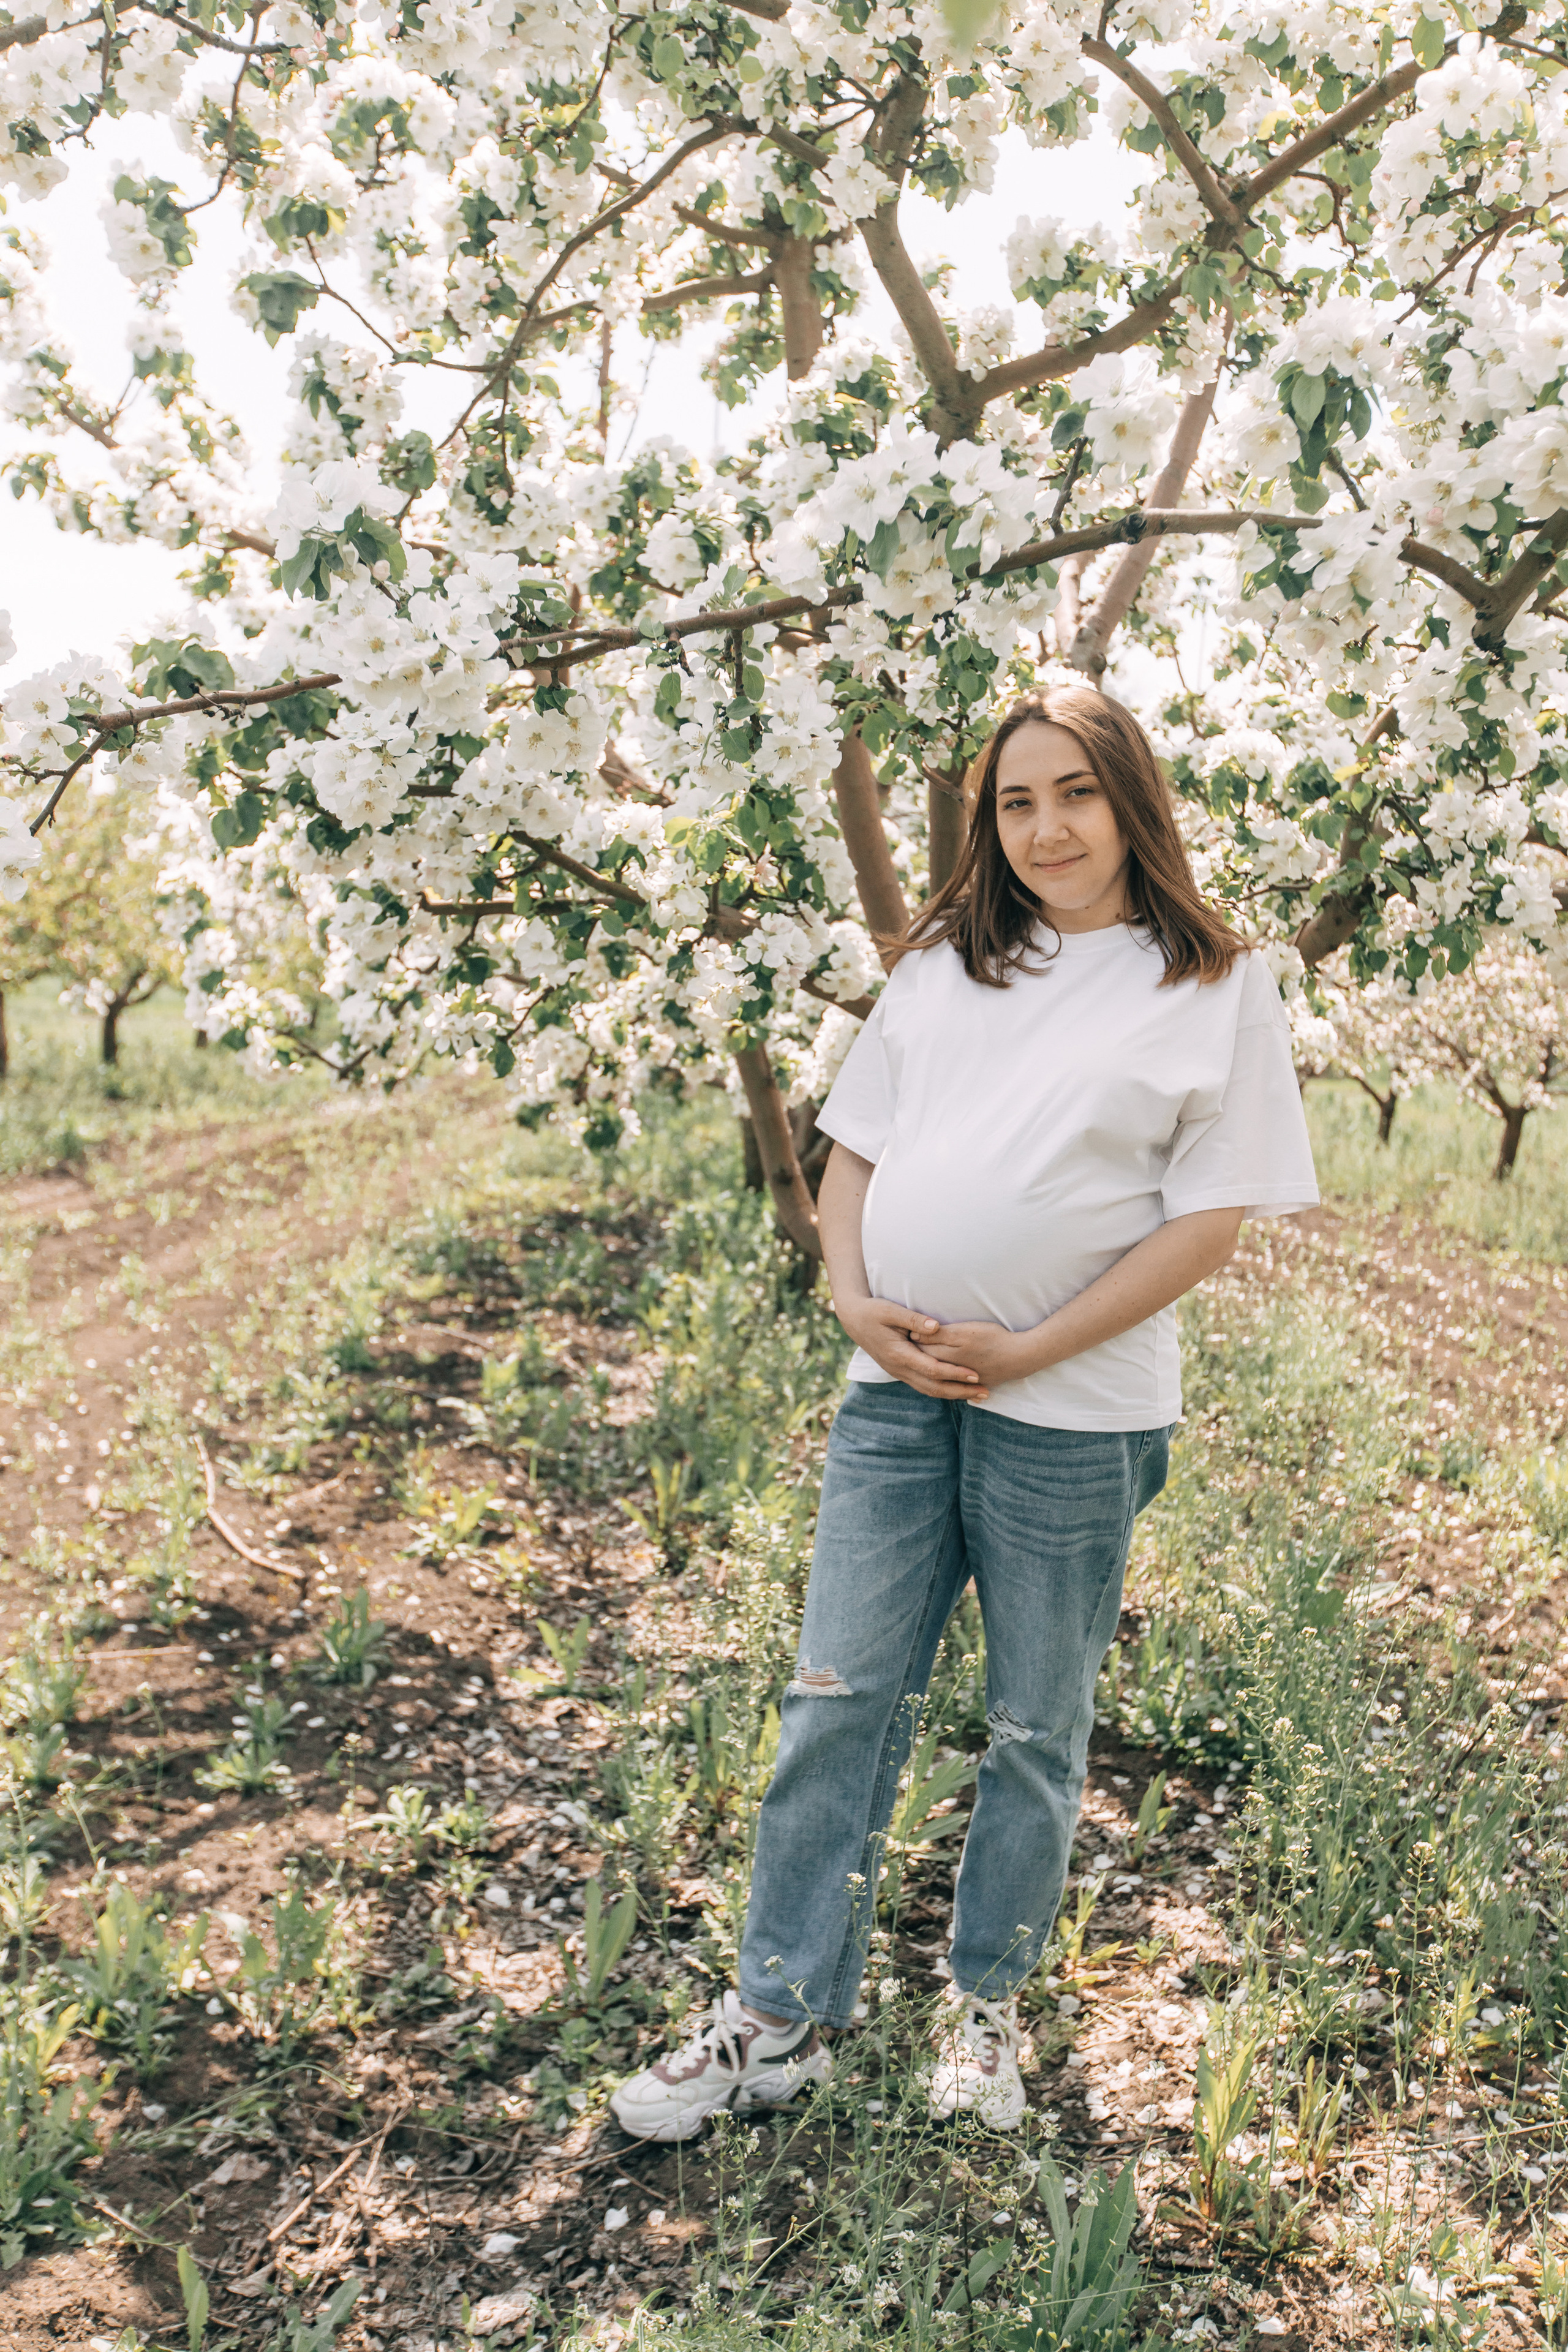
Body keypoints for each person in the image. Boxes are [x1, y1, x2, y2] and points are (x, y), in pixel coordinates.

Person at [611, 685, 1317, 2142]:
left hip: (1074, 1411)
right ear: (984, 823)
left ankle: (981, 2006)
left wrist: (1031, 1346)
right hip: (894, 1392)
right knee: (833, 1699)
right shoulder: (943, 968)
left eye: (1073, 792)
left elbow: (1206, 1227)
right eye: (1013, 801)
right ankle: (777, 2014)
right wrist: (851, 1300)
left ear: (1130, 799)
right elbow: (850, 1153)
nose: (1044, 826)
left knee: (1032, 1726)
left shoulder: (1213, 985)